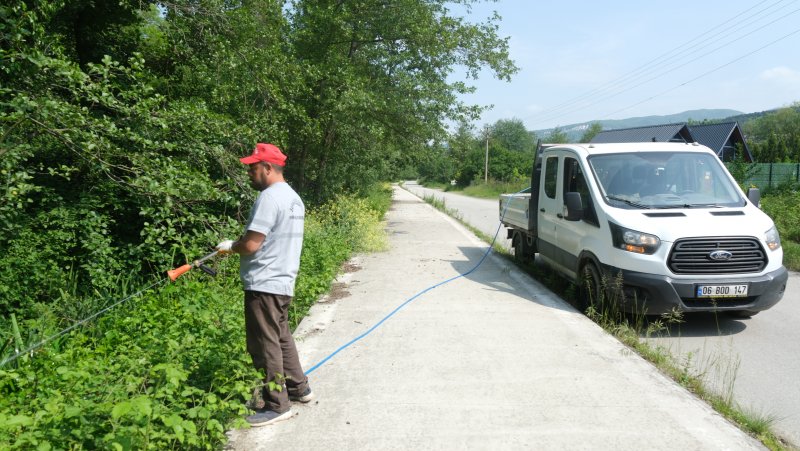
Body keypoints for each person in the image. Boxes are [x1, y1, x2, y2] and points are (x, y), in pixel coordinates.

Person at [216, 142, 313, 427]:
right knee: (281, 337)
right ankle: (299, 388)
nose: (249, 173)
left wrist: (230, 247)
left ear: (268, 168)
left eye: (253, 167)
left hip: (264, 282)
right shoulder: (294, 197)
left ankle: (276, 404)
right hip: (283, 280)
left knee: (263, 343)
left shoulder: (270, 198)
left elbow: (251, 244)